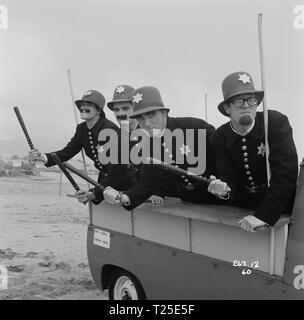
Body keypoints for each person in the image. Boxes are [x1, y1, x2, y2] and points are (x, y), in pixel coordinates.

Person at [101, 86, 220, 209]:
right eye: (141, 119)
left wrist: (222, 185)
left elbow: (226, 161)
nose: (146, 123)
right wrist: (122, 198)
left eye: (151, 115)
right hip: (192, 202)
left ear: (164, 113)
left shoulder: (195, 127)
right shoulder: (148, 146)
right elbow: (147, 185)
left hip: (227, 200)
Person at [208, 71, 298, 232]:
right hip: (244, 209)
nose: (246, 105)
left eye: (251, 99)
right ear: (227, 108)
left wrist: (264, 216)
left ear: (257, 103)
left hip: (279, 208)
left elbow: (286, 175)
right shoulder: (219, 138)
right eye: (238, 101)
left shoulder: (275, 123)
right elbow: (228, 175)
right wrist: (224, 190)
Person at [75, 85, 173, 205]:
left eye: (125, 108)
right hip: (138, 194)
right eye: (116, 110)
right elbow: (115, 175)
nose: (120, 113)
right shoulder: (119, 136)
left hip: (169, 196)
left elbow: (168, 167)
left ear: (136, 109)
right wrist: (93, 193)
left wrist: (156, 192)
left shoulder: (151, 131)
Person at [28, 89, 119, 182]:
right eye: (82, 105)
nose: (83, 108)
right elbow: (67, 152)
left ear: (98, 111)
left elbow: (118, 163)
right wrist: (43, 157)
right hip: (105, 177)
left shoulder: (109, 128)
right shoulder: (81, 129)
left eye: (89, 105)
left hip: (121, 177)